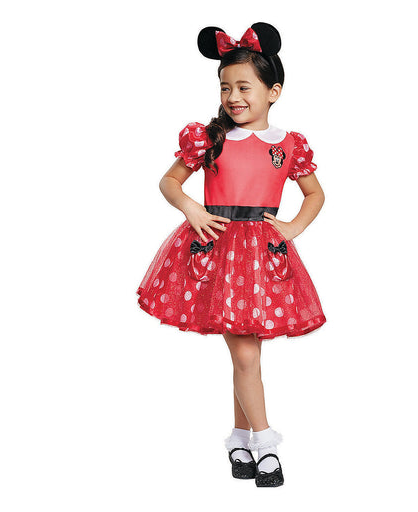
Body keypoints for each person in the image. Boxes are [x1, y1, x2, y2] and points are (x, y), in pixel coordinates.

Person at [136, 22, 326, 487]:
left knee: (246, 355)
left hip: (264, 257)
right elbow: (169, 181)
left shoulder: (289, 144)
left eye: (244, 87)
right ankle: (266, 446)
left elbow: (315, 193)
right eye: (225, 87)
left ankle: (241, 441)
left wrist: (293, 228)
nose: (233, 96)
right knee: (246, 355)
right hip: (217, 254)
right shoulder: (210, 138)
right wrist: (192, 208)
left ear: (273, 92)